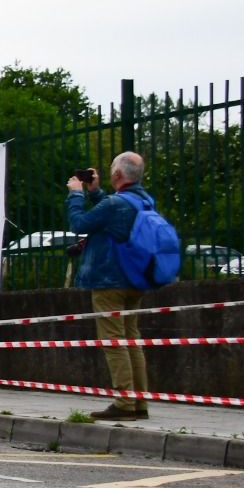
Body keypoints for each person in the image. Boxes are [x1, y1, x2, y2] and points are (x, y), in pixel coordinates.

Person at [66, 152, 155, 421]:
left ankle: (124, 403)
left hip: (109, 282)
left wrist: (76, 194)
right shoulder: (144, 201)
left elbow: (79, 224)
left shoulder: (116, 204)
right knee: (132, 339)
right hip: (135, 279)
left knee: (114, 342)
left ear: (117, 175)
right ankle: (139, 402)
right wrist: (95, 192)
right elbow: (111, 212)